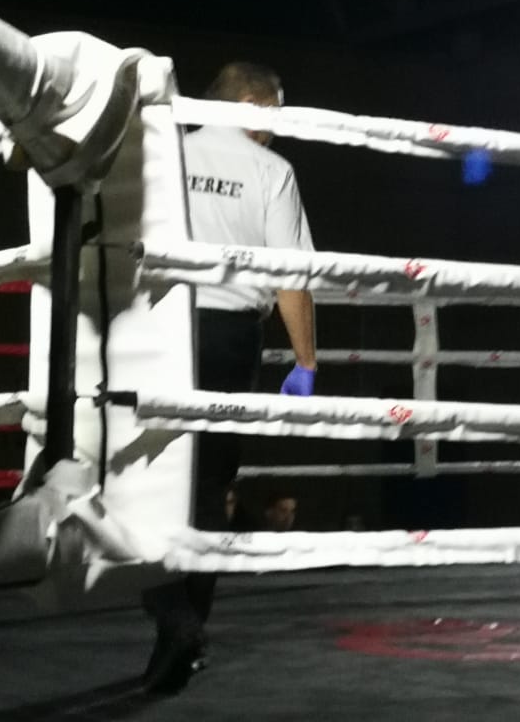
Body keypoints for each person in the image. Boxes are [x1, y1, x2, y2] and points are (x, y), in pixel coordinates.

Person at [141, 61, 319, 694]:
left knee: (140, 475)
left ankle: (175, 620)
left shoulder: (163, 154)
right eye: (271, 113)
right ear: (249, 103)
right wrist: (305, 361)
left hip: (155, 328)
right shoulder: (270, 170)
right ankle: (185, 627)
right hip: (228, 336)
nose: (275, 128)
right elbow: (290, 276)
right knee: (210, 484)